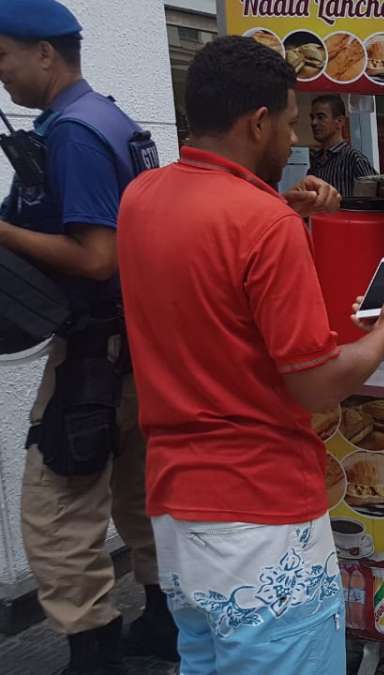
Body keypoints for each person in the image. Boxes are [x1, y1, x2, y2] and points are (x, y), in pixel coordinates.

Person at [116, 36, 384, 674]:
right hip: (259, 515)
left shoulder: (140, 199)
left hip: (176, 510)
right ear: (257, 123)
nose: (294, 138)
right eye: (288, 123)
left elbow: (206, 273)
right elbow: (313, 386)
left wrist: (279, 209)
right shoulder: (264, 224)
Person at [0, 3, 177, 671]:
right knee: (138, 489)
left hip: (91, 355)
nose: (2, 76)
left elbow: (98, 256)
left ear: (46, 53)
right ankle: (164, 621)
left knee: (55, 506)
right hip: (134, 350)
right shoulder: (112, 119)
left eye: (4, 58)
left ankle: (93, 650)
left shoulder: (73, 133)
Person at [307, 94, 376, 196]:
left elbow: (373, 199)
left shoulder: (354, 159)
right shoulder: (316, 160)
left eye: (321, 117)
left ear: (339, 121)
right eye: (312, 117)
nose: (314, 123)